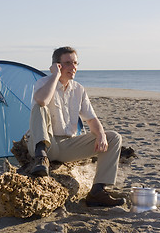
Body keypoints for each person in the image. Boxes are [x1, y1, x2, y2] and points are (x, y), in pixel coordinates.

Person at [26, 46, 126, 207]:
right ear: (57, 65)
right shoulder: (43, 83)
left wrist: (100, 134)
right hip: (45, 144)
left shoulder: (78, 89)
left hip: (67, 145)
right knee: (40, 107)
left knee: (113, 137)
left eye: (75, 63)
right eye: (67, 63)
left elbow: (91, 119)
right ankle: (41, 158)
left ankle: (97, 191)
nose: (73, 68)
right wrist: (55, 76)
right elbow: (42, 100)